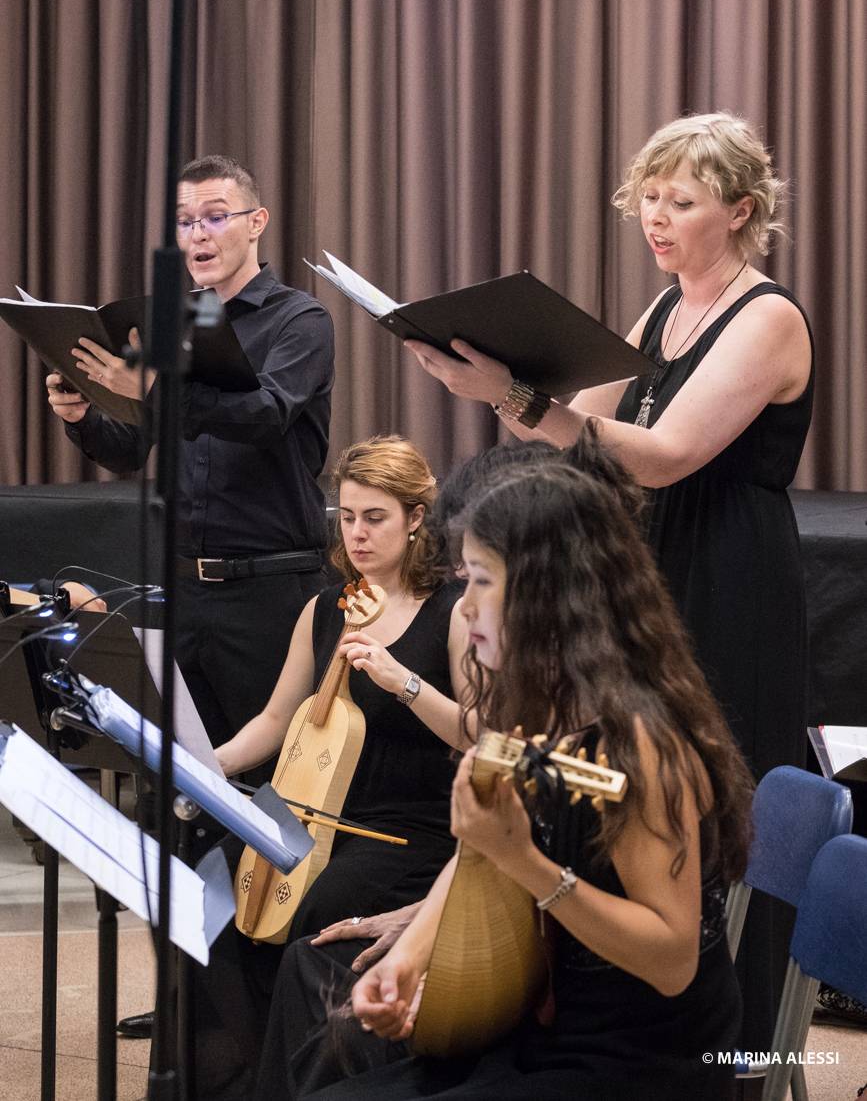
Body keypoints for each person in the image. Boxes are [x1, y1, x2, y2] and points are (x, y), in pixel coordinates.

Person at [403, 113, 813, 1049]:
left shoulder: (770, 315)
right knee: (636, 789)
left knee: (718, 791)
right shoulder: (664, 309)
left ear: (740, 210)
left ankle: (732, 1042)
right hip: (651, 566)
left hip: (730, 573)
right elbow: (575, 433)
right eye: (648, 200)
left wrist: (513, 398)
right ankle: (632, 1015)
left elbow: (661, 456)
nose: (656, 219)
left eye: (682, 201)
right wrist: (487, 380)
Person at [291, 451, 754, 1101]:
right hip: (549, 1018)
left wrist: (526, 862)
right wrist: (404, 963)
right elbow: (478, 850)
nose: (465, 605)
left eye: (481, 581)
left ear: (545, 594)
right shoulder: (538, 705)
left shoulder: (638, 742)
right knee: (331, 1046)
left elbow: (673, 960)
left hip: (642, 1058)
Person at [194, 434, 469, 1100]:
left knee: (312, 917)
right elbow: (274, 719)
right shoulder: (324, 609)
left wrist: (402, 680)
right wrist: (200, 765)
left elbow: (481, 734)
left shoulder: (454, 611)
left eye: (374, 518)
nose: (357, 535)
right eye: (346, 518)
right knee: (204, 902)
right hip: (311, 813)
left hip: (409, 830)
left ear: (414, 517)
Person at [45, 155, 335, 763]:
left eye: (214, 217)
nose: (197, 235)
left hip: (270, 589)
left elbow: (266, 415)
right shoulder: (172, 324)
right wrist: (83, 416)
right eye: (183, 222)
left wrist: (156, 389)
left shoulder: (300, 319)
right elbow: (129, 449)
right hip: (182, 589)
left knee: (267, 774)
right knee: (187, 778)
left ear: (256, 222)